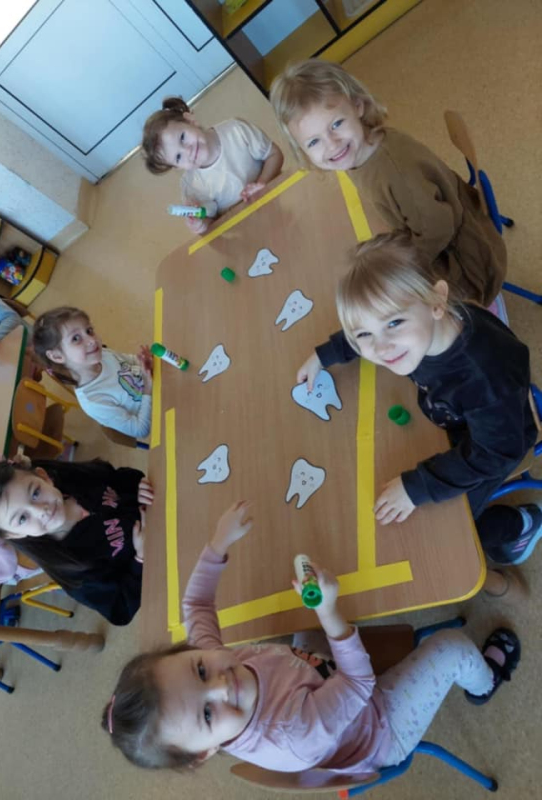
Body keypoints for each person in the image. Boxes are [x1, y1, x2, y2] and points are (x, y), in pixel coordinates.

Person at [102, 501, 520, 771]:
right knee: (449, 649)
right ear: (205, 753)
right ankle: (485, 682)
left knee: (305, 618)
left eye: (199, 670)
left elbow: (195, 606)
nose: (221, 684)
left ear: (191, 651)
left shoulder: (212, 661)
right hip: (378, 726)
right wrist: (329, 614)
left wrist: (217, 544)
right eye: (208, 715)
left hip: (318, 682)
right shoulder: (292, 732)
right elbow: (359, 683)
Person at [296, 232, 540, 572]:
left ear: (436, 301)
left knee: (448, 532)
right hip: (459, 418)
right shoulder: (421, 330)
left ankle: (520, 525)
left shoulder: (482, 375)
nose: (381, 348)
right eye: (364, 334)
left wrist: (417, 487)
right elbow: (369, 326)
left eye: (394, 323)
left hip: (496, 445)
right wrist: (326, 354)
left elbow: (497, 453)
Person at [270, 59, 506, 306]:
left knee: (390, 305)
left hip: (468, 264)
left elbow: (439, 228)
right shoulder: (361, 150)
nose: (332, 145)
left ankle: (484, 316)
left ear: (358, 106)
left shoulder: (395, 173)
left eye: (336, 124)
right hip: (439, 235)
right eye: (314, 142)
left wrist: (400, 268)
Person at [0, 458, 154, 625]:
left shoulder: (75, 480)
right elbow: (120, 610)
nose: (41, 510)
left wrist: (136, 486)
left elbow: (117, 476)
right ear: (14, 534)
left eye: (35, 493)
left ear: (44, 477)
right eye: (22, 518)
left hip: (161, 504)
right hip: (158, 559)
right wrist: (141, 559)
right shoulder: (72, 568)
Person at [142, 97, 284, 235]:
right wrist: (200, 224)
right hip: (244, 233)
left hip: (276, 204)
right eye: (178, 157)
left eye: (182, 137)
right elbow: (211, 223)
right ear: (177, 167)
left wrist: (262, 183)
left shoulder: (236, 130)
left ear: (190, 120)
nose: (187, 151)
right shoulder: (192, 186)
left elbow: (275, 154)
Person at [33, 307, 152, 441]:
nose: (91, 340)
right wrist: (148, 388)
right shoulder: (93, 400)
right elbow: (140, 429)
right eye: (76, 338)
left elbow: (129, 361)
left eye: (89, 331)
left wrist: (143, 361)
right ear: (57, 356)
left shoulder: (102, 354)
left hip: (157, 386)